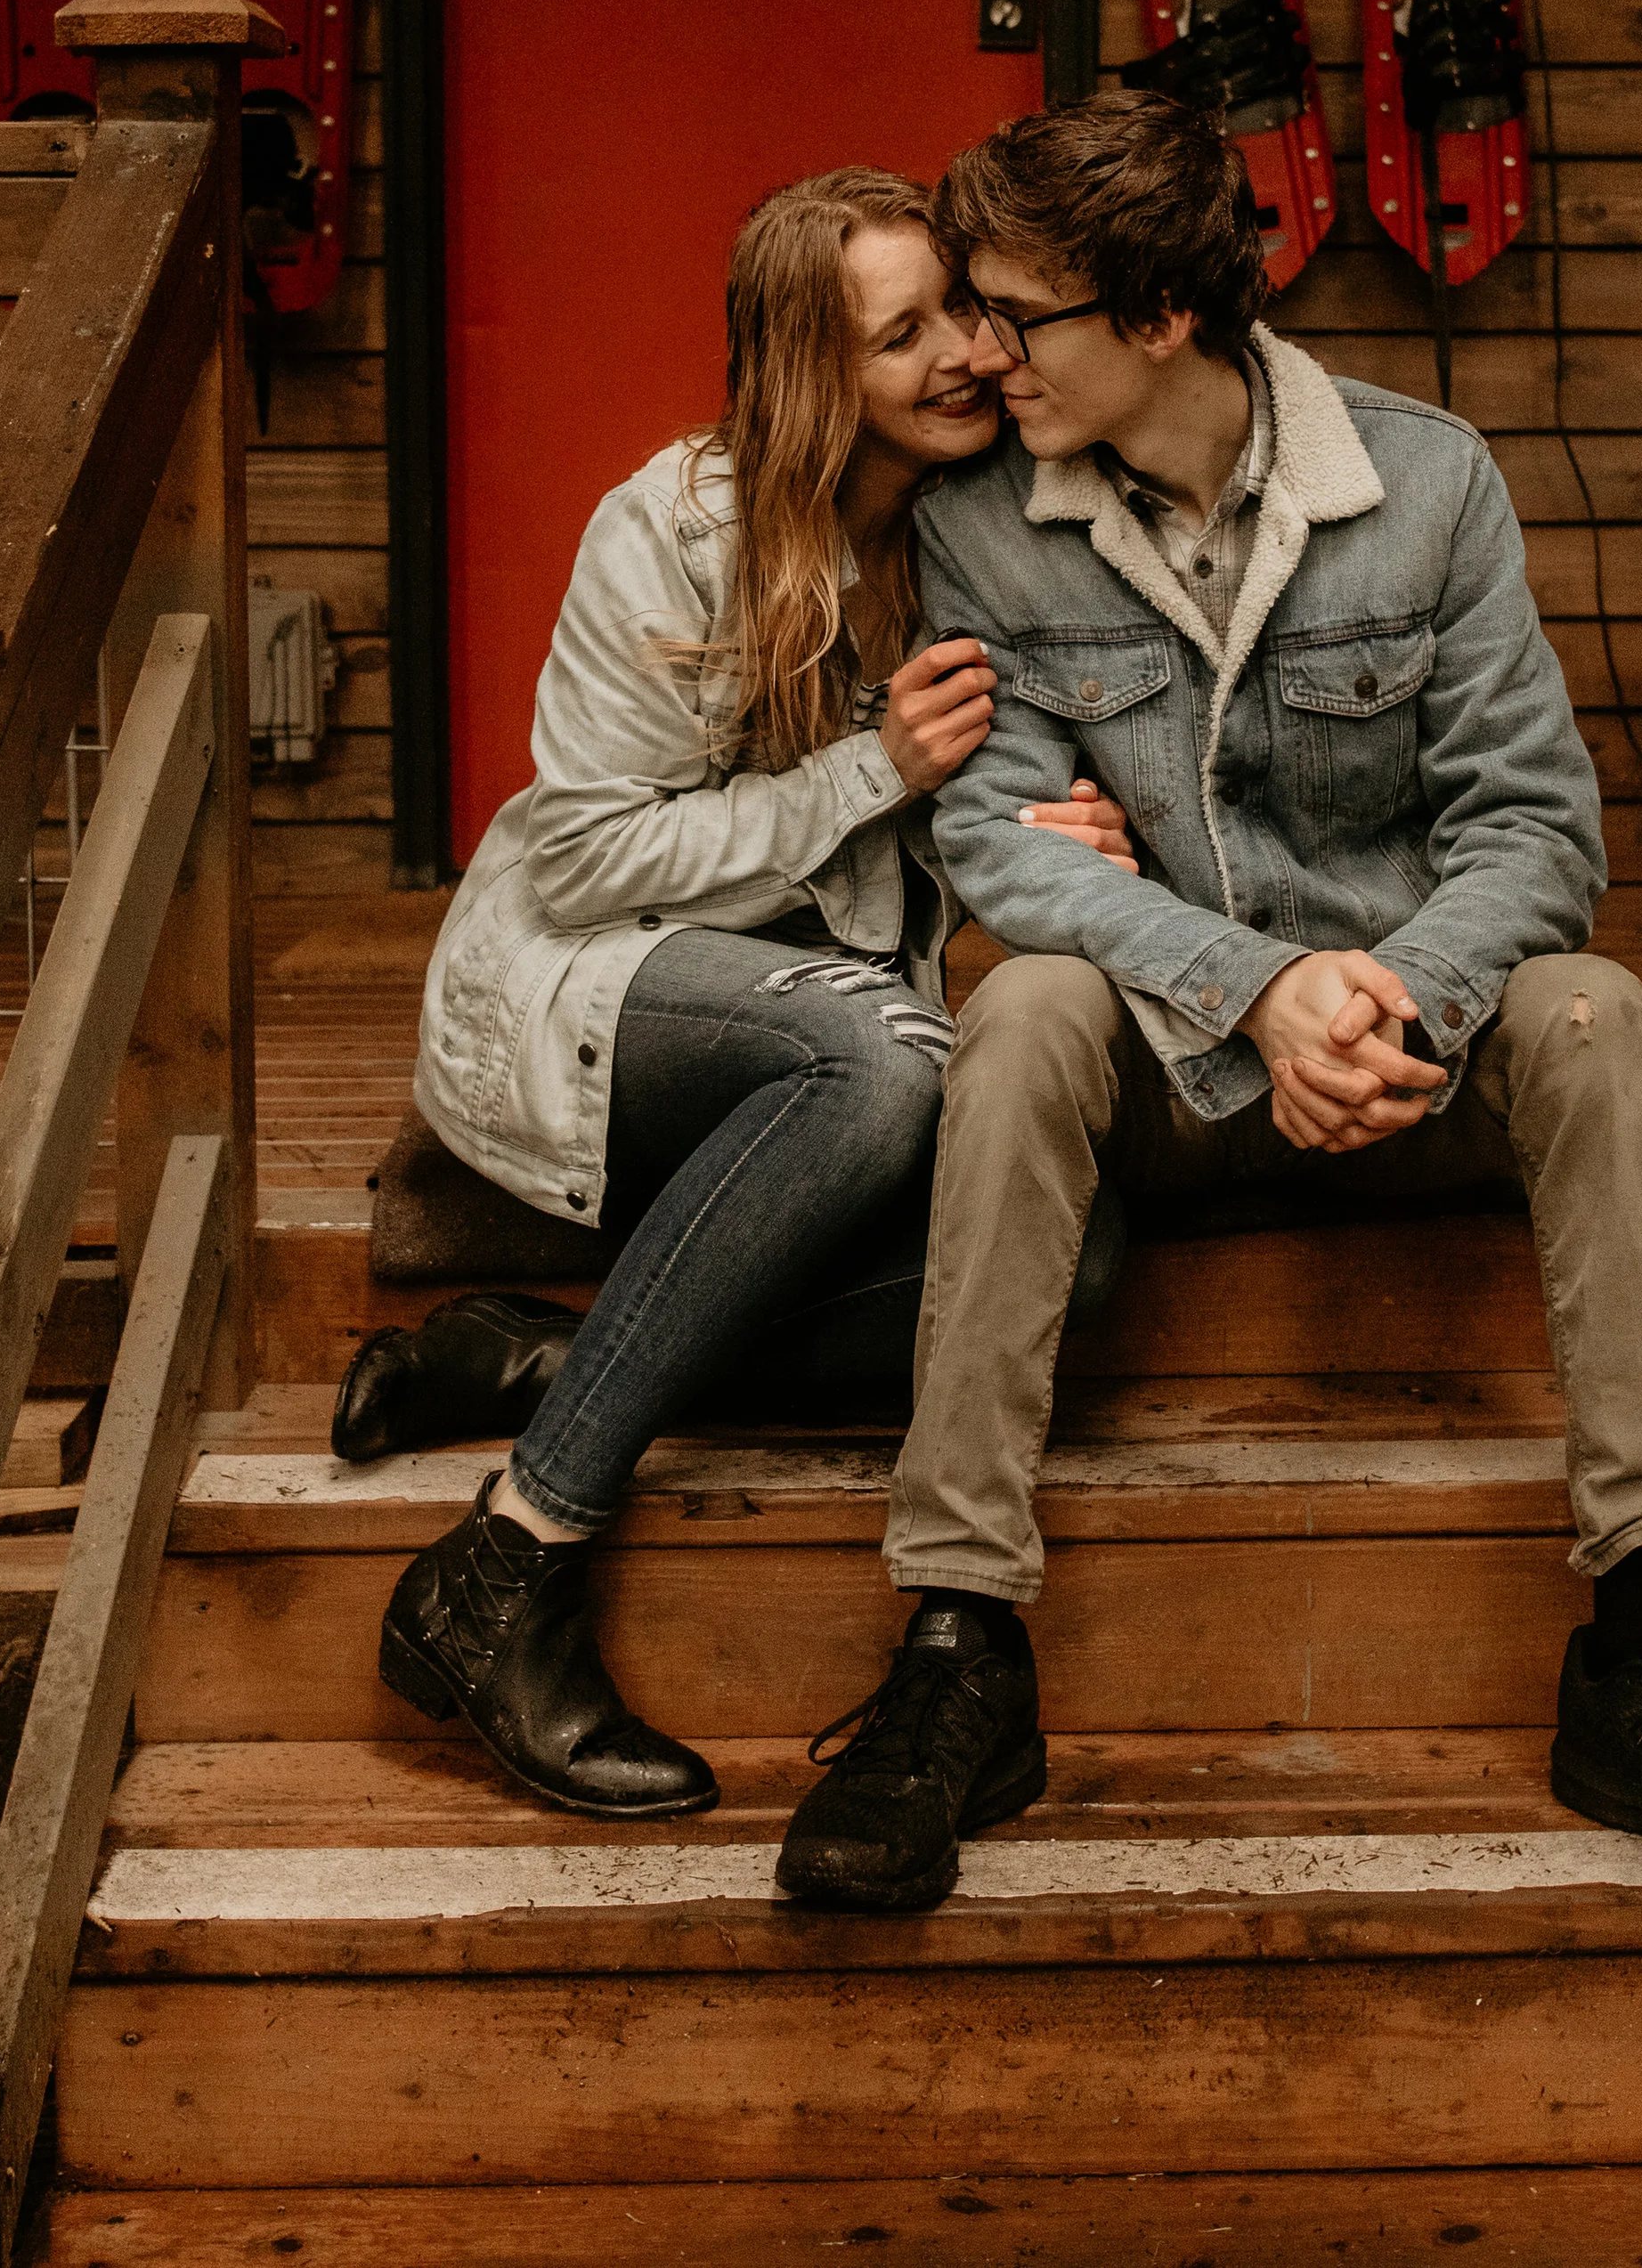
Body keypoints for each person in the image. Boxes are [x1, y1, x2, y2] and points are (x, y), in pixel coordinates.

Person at [776, 95, 1642, 1918]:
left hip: (1409, 1073)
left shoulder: (1426, 483)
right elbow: (1000, 845)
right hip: (1166, 1074)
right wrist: (1257, 986)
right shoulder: (988, 525)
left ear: (1153, 319)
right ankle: (959, 1642)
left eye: (1007, 314)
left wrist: (1389, 1007)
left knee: (1598, 1013)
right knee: (1028, 1010)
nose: (974, 357)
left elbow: (1532, 829)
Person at [344, 168, 1137, 1818]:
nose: (965, 358)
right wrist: (872, 769)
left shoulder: (968, 534)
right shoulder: (677, 531)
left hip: (815, 1042)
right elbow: (583, 859)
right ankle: (514, 1553)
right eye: (901, 334)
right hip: (579, 990)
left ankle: (546, 1359)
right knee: (887, 1055)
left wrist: (1065, 836)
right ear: (809, 369)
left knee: (1081, 1242)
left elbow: (946, 843)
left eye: (962, 315)